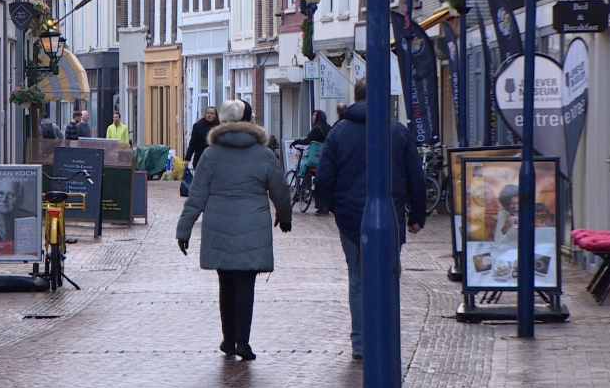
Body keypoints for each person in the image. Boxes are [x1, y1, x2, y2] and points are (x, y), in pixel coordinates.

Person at [316, 77, 426, 360]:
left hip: (351, 219)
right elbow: (416, 178)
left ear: (356, 96)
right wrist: (416, 215)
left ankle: (361, 342)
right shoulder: (397, 132)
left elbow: (325, 177)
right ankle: (386, 337)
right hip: (390, 217)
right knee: (389, 277)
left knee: (357, 280)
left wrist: (333, 206)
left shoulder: (339, 132)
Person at [176, 99, 292, 361]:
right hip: (253, 227)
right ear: (248, 121)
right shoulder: (263, 154)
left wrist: (184, 230)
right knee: (245, 284)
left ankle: (228, 339)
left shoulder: (211, 154)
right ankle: (243, 341)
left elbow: (196, 196)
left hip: (219, 227)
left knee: (225, 283)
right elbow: (280, 190)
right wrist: (284, 217)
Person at [291, 110, 333, 213]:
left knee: (305, 166)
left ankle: (302, 190)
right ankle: (325, 205)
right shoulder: (329, 128)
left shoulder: (316, 129)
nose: (313, 117)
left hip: (314, 160)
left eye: (314, 115)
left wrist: (296, 141)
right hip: (325, 160)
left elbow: (307, 141)